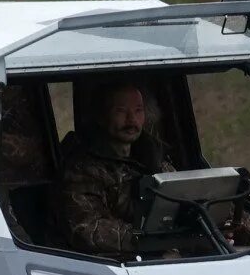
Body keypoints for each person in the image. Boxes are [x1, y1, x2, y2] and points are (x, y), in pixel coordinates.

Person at [55, 81, 173, 259]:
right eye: (121, 111)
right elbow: (86, 229)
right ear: (102, 116)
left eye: (138, 110)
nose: (131, 120)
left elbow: (183, 195)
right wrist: (152, 239)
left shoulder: (154, 158)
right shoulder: (81, 168)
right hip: (104, 265)